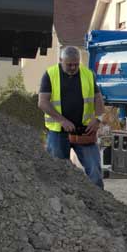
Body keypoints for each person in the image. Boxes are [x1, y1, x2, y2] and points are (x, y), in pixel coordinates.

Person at [38, 46, 105, 188]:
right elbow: (43, 102)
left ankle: (98, 200)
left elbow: (98, 99)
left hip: (84, 131)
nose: (73, 67)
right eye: (69, 64)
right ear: (61, 60)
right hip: (58, 133)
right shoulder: (50, 74)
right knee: (57, 173)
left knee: (94, 170)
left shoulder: (88, 74)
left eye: (76, 64)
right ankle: (59, 200)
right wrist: (62, 120)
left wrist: (97, 119)